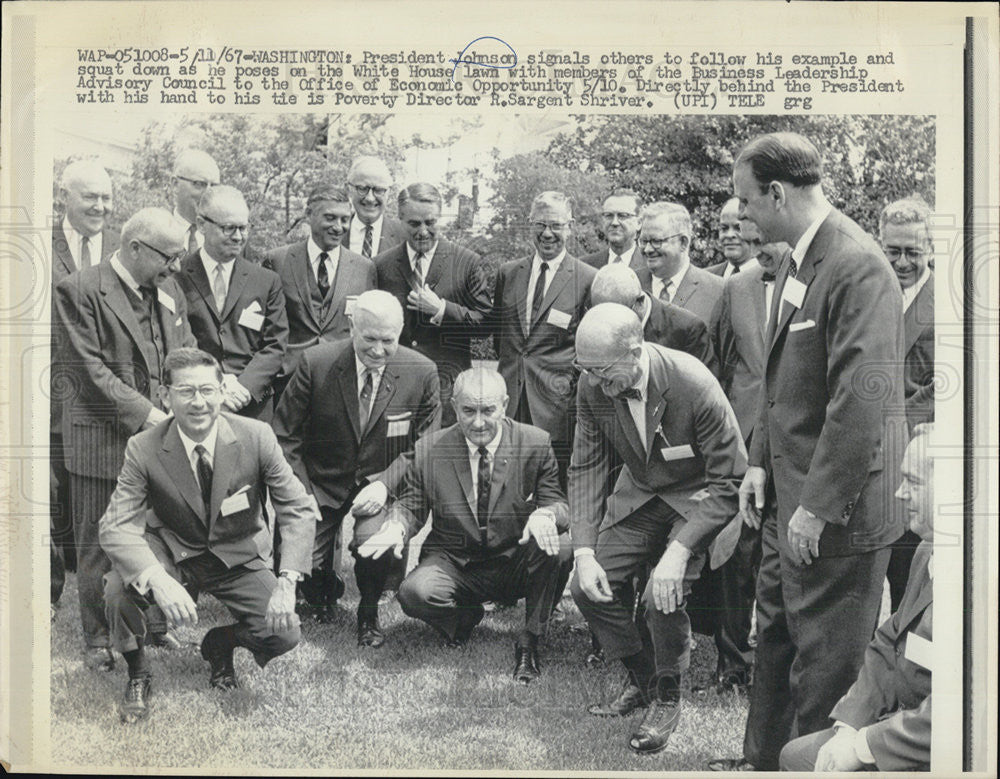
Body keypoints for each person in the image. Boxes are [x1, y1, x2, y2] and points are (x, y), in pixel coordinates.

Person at [709, 132, 907, 771]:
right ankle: (763, 760)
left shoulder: (856, 263)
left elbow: (861, 399)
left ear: (777, 192)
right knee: (776, 636)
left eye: (746, 201)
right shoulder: (798, 256)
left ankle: (811, 766)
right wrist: (760, 464)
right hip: (785, 494)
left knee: (824, 658)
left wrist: (818, 506)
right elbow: (780, 378)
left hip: (837, 509)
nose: (740, 216)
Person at [99, 348, 317, 723]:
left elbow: (297, 507)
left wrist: (287, 580)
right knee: (119, 587)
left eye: (207, 390)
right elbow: (115, 525)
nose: (198, 402)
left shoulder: (256, 436)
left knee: (285, 634)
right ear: (165, 396)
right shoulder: (144, 447)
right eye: (186, 392)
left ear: (222, 391)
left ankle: (220, 643)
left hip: (236, 552)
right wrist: (156, 580)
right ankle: (138, 671)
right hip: (171, 550)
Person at [569, 304, 746, 755]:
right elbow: (586, 467)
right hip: (643, 495)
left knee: (659, 595)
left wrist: (682, 548)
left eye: (603, 371)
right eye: (585, 370)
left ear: (635, 351)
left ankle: (668, 696)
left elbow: (731, 480)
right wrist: (584, 552)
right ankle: (645, 678)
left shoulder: (694, 383)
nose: (595, 382)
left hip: (698, 498)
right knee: (587, 586)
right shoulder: (594, 385)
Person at [359, 368, 572, 682]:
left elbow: (559, 503)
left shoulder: (535, 443)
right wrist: (396, 527)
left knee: (561, 546)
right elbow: (412, 504)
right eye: (468, 411)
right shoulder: (429, 449)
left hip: (515, 559)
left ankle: (530, 640)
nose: (478, 422)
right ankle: (464, 617)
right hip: (456, 561)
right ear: (454, 407)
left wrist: (547, 515)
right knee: (415, 593)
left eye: (488, 410)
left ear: (505, 405)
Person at [54, 208, 196, 670]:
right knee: (100, 542)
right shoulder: (79, 290)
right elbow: (89, 372)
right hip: (103, 440)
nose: (175, 267)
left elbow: (183, 350)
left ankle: (151, 627)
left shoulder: (169, 289)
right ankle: (98, 639)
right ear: (135, 247)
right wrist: (152, 416)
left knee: (151, 535)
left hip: (159, 435)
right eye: (168, 257)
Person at [273, 290, 441, 644]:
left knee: (373, 543)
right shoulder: (315, 362)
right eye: (369, 340)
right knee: (300, 554)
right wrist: (301, 493)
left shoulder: (422, 372)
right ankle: (322, 593)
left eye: (388, 341)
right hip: (321, 480)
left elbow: (425, 444)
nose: (378, 351)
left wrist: (385, 484)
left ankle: (368, 612)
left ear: (400, 332)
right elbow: (285, 434)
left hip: (382, 481)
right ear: (352, 328)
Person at [779, 424, 934, 772]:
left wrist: (863, 747)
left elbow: (959, 710)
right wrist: (849, 725)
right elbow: (888, 642)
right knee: (796, 755)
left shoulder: (978, 585)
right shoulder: (927, 553)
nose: (898, 493)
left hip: (937, 753)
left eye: (913, 482)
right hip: (899, 725)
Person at [689, 226, 788, 696]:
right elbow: (723, 363)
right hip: (744, 439)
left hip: (793, 441)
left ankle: (778, 663)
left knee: (783, 556)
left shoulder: (814, 280)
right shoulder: (736, 288)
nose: (760, 245)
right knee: (734, 553)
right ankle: (731, 664)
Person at [490, 191, 597, 486]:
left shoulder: (587, 279)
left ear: (570, 227)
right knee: (506, 487)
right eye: (540, 225)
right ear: (529, 225)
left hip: (556, 407)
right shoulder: (508, 273)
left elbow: (587, 350)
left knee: (551, 489)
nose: (547, 233)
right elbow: (502, 338)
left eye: (556, 226)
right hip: (510, 400)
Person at [375, 182, 492, 425]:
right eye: (414, 224)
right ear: (400, 219)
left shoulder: (467, 262)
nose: (423, 231)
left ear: (441, 218)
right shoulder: (382, 265)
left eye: (430, 222)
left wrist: (442, 310)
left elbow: (485, 324)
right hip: (395, 386)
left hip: (446, 388)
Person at [51, 159, 118, 583]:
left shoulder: (122, 247)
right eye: (90, 196)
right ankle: (50, 591)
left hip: (104, 395)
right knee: (51, 494)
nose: (100, 206)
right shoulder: (39, 244)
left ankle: (109, 583)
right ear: (63, 197)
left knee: (100, 501)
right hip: (51, 392)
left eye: (106, 197)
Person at [178, 185, 288, 422]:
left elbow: (275, 345)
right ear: (201, 224)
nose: (238, 237)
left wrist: (245, 388)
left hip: (251, 407)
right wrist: (214, 382)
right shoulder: (177, 278)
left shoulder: (266, 281)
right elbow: (178, 339)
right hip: (198, 403)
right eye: (229, 228)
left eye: (243, 227)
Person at [264, 184, 376, 391]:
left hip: (340, 381)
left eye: (345, 219)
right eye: (330, 218)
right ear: (309, 215)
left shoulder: (365, 268)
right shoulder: (278, 261)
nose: (339, 227)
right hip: (288, 381)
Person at [880, 195, 936, 611]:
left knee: (906, 569)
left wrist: (894, 428)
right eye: (892, 251)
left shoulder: (948, 305)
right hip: (867, 457)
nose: (901, 262)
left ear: (931, 249)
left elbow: (945, 385)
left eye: (912, 252)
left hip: (914, 454)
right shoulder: (872, 292)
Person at [590, 263, 717, 376]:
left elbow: (705, 389)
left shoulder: (688, 329)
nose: (609, 325)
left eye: (616, 317)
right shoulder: (599, 321)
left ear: (639, 303)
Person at [636, 201, 724, 326]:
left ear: (683, 242)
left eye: (656, 241)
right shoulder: (631, 285)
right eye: (644, 241)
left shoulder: (717, 291)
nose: (648, 249)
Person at [341, 155, 408, 257]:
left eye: (379, 190)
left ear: (388, 192)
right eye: (362, 188)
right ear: (348, 189)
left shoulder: (405, 236)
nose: (370, 198)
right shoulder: (335, 232)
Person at [170, 149, 221, 255]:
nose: (208, 194)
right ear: (175, 185)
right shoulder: (152, 234)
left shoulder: (229, 241)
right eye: (199, 184)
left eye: (214, 186)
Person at [581, 189, 646, 272]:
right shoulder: (585, 266)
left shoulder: (651, 266)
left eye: (622, 216)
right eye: (609, 215)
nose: (614, 223)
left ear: (639, 223)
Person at [706, 197, 759, 278]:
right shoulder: (706, 278)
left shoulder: (771, 279)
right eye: (724, 228)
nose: (729, 235)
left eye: (738, 228)